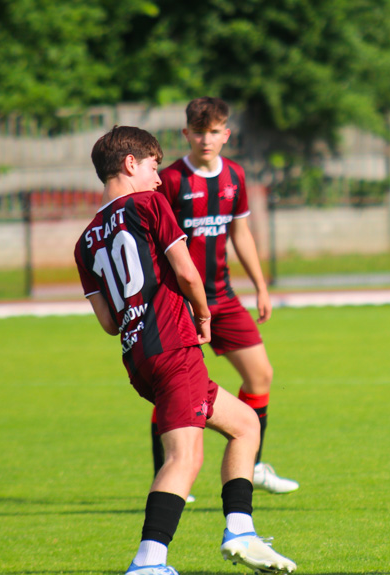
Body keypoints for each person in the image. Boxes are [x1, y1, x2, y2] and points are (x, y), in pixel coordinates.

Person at [75, 126, 296, 575]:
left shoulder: (85, 241)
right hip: (175, 345)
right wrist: (202, 314)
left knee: (245, 424)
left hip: (138, 357)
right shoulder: (152, 204)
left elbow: (107, 322)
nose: (160, 179)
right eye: (154, 167)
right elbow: (189, 273)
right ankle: (148, 562)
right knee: (185, 457)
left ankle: (241, 533)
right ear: (130, 164)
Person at [151, 96, 298, 495]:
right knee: (173, 386)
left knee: (260, 374)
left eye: (214, 131)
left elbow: (240, 234)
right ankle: (165, 472)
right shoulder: (170, 180)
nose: (205, 139)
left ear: (226, 134)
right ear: (186, 134)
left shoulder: (234, 175)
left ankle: (253, 463)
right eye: (198, 132)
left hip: (224, 297)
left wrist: (261, 286)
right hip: (178, 302)